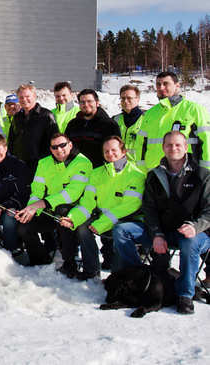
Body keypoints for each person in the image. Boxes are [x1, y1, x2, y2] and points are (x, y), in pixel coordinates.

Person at [113, 131, 210, 314]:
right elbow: (149, 209)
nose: (173, 148)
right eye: (169, 145)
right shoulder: (154, 175)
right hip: (163, 232)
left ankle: (185, 295)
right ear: (163, 147)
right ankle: (142, 277)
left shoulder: (202, 175)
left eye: (178, 145)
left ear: (186, 147)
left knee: (189, 242)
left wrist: (195, 227)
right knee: (122, 230)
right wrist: (157, 233)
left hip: (195, 235)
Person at [63, 136, 145, 276]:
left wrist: (102, 223)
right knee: (82, 227)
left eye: (114, 150)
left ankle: (118, 275)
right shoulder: (96, 173)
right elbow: (88, 202)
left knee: (119, 232)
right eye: (106, 151)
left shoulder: (136, 174)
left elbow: (130, 205)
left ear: (123, 151)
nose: (110, 154)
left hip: (126, 219)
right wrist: (73, 218)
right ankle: (91, 270)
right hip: (101, 217)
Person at [15, 133, 92, 267]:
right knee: (24, 226)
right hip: (48, 208)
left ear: (70, 145)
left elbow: (72, 193)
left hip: (74, 210)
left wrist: (41, 204)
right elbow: (37, 191)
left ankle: (69, 262)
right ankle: (40, 260)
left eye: (62, 145)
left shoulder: (83, 162)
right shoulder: (44, 163)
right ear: (50, 149)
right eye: (54, 147)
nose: (59, 150)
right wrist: (30, 210)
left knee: (62, 211)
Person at [135, 71, 210, 171]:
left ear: (177, 86)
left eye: (166, 84)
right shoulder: (150, 114)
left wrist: (205, 174)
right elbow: (140, 146)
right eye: (158, 84)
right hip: (154, 175)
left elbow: (207, 142)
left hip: (187, 175)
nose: (161, 87)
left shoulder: (194, 110)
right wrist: (142, 173)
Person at [8, 83, 59, 177]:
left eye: (27, 96)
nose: (24, 100)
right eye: (21, 97)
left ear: (35, 96)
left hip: (40, 165)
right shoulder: (17, 117)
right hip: (20, 165)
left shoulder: (46, 116)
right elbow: (12, 140)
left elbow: (55, 141)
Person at [64, 88, 120, 168]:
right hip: (76, 170)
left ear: (97, 103)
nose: (86, 104)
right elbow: (66, 148)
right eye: (82, 102)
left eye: (89, 101)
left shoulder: (109, 125)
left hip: (100, 171)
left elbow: (116, 152)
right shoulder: (72, 124)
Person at [113, 84, 145, 162]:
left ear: (137, 99)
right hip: (119, 166)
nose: (125, 101)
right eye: (123, 98)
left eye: (129, 98)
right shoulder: (115, 120)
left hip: (139, 168)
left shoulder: (146, 120)